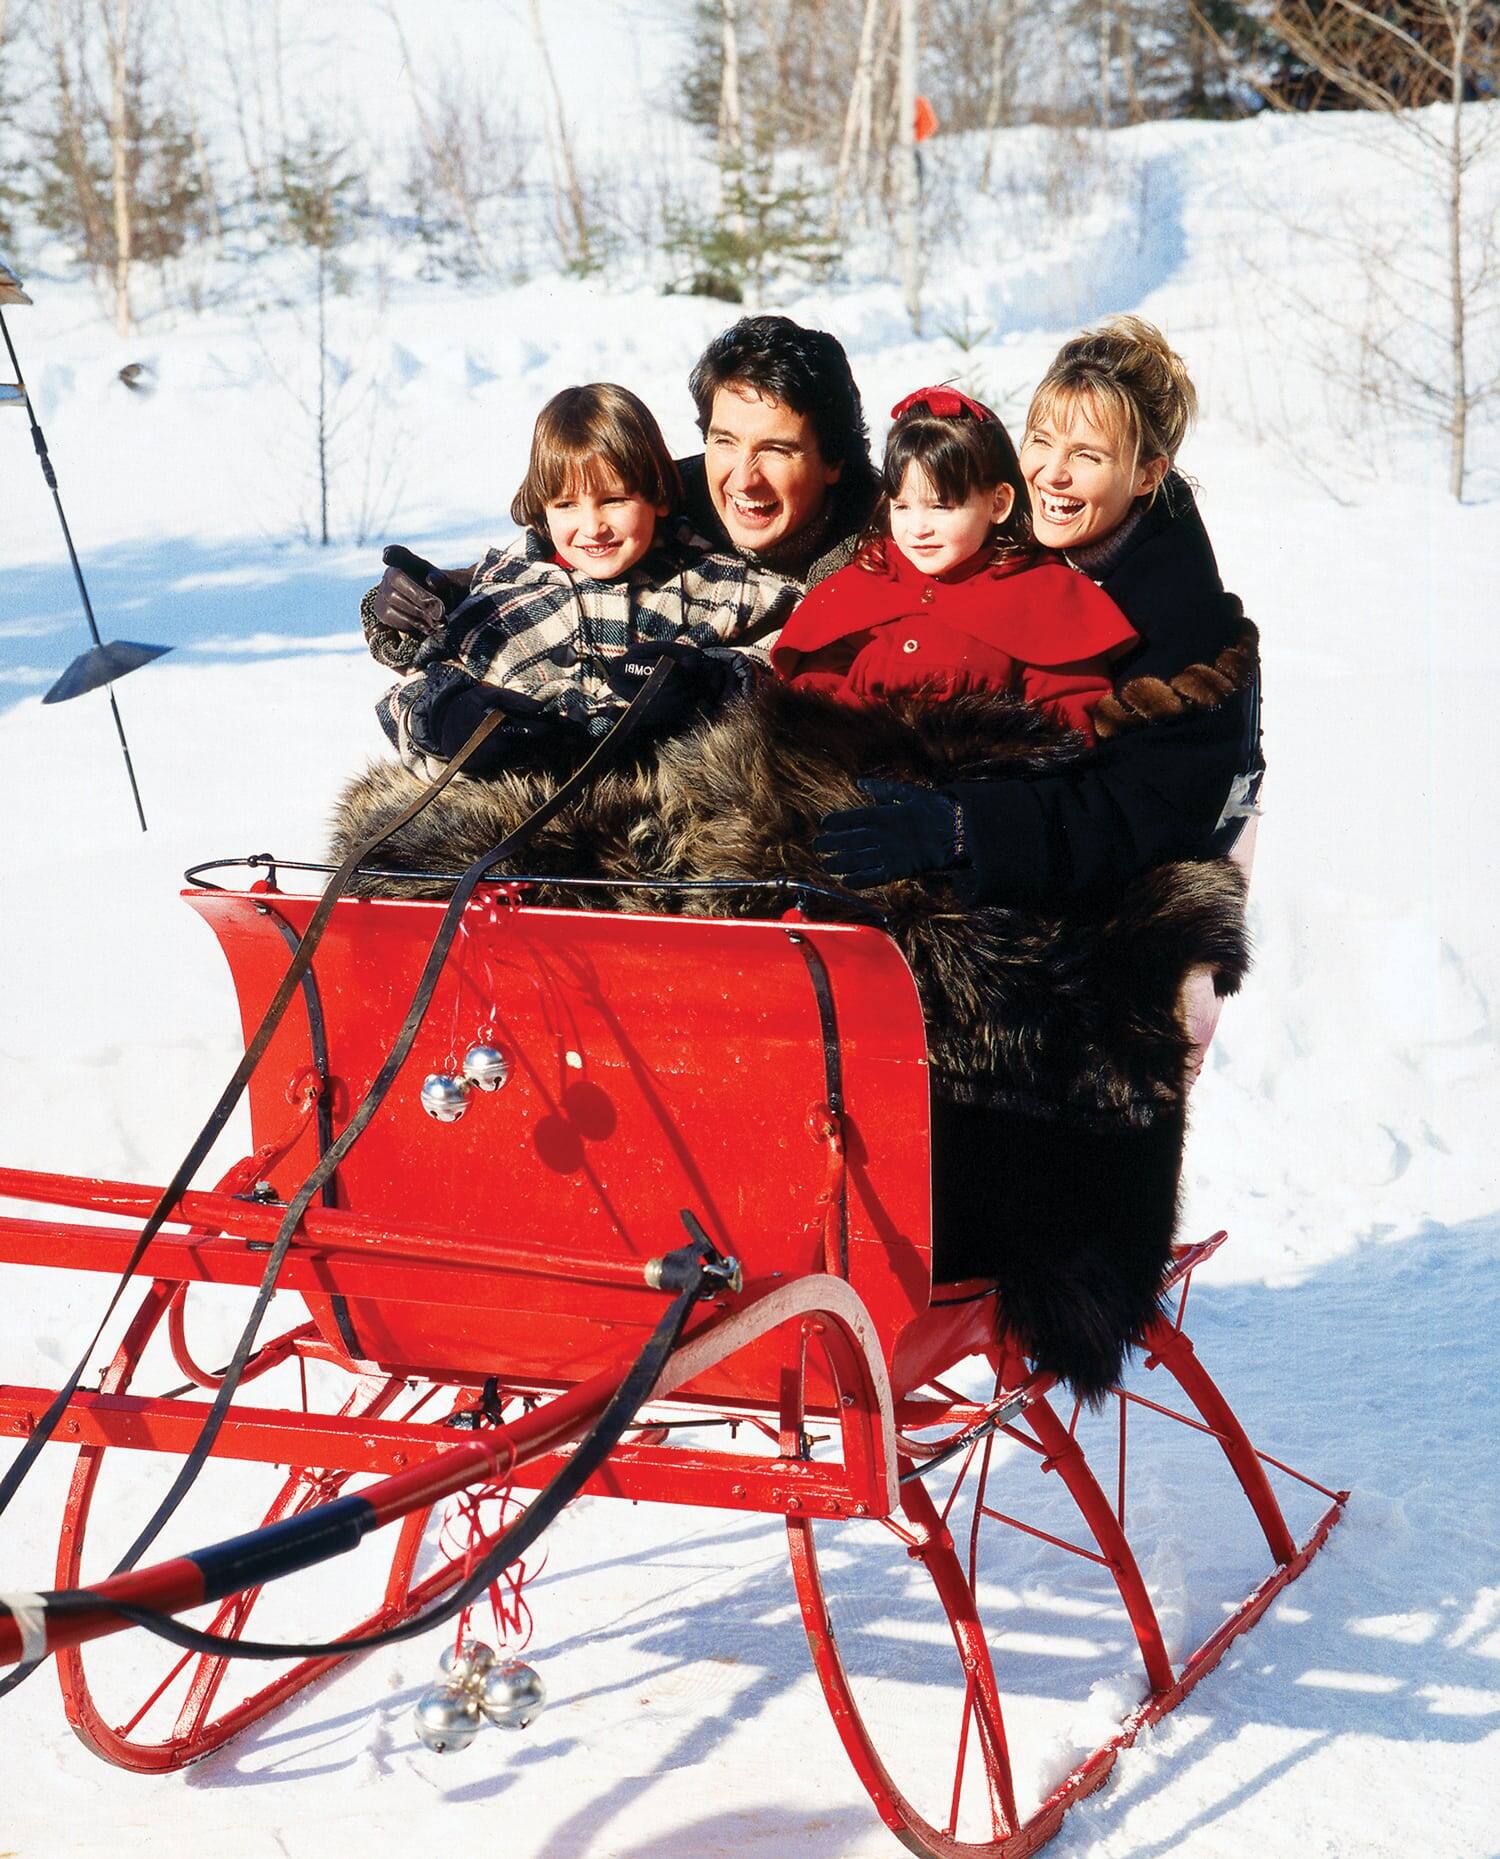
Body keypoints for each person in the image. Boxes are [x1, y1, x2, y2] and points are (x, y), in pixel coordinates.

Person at [811, 316, 1260, 910]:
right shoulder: (995, 537)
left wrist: (967, 827)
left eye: (1087, 455)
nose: (1051, 474)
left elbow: (1146, 810)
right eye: (1041, 440)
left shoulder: (1184, 628)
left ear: (1148, 474)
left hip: (1091, 904)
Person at [360, 315, 879, 670]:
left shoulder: (890, 543)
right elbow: (553, 561)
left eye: (777, 450)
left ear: (833, 459)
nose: (743, 479)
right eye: (724, 441)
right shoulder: (671, 492)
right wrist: (438, 592)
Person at [371, 383, 798, 778]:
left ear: (658, 496)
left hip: (664, 813)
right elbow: (411, 688)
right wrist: (442, 718)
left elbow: (792, 644)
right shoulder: (495, 597)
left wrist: (719, 678)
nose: (593, 527)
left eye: (614, 500)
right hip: (520, 821)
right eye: (567, 505)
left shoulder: (715, 583)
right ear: (542, 509)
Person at [770, 385, 1137, 737]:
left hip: (978, 772)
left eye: (942, 507)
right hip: (860, 760)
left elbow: (1068, 705)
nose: (918, 529)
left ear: (998, 504)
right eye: (902, 507)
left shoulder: (1039, 591)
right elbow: (817, 679)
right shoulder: (872, 577)